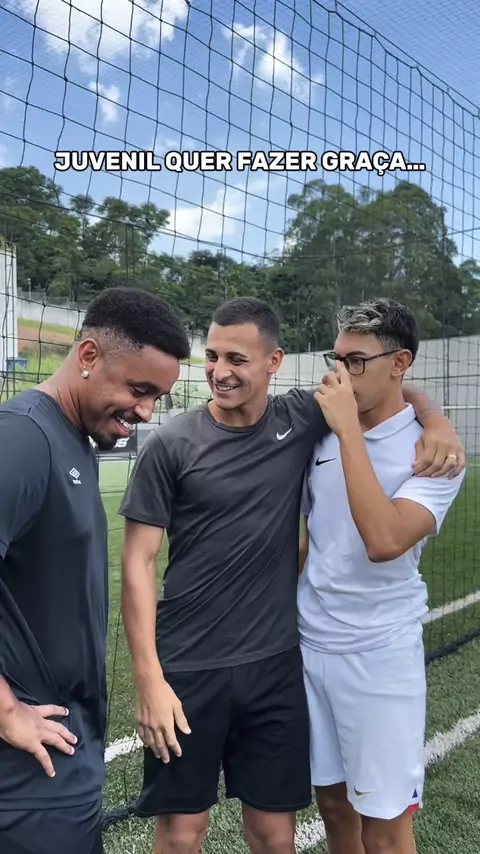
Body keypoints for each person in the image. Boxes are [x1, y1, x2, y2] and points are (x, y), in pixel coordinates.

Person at [119, 296, 464, 854]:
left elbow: (383, 537)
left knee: (324, 832)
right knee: (289, 815)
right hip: (258, 656)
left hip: (329, 661)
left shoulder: (373, 438)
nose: (220, 372)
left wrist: (435, 417)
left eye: (237, 358)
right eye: (212, 356)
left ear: (273, 362)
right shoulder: (202, 439)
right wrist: (148, 678)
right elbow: (139, 562)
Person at [0, 287, 190, 854]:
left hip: (63, 763)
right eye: (139, 389)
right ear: (88, 355)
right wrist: (7, 712)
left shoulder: (76, 440)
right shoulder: (23, 438)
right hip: (26, 781)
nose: (146, 411)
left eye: (157, 397)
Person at [298, 298, 466, 854]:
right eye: (337, 358)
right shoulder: (319, 430)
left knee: (386, 828)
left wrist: (354, 431)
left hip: (378, 656)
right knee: (332, 806)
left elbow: (384, 541)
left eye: (357, 361)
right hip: (309, 647)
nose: (342, 373)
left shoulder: (433, 453)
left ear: (400, 363)